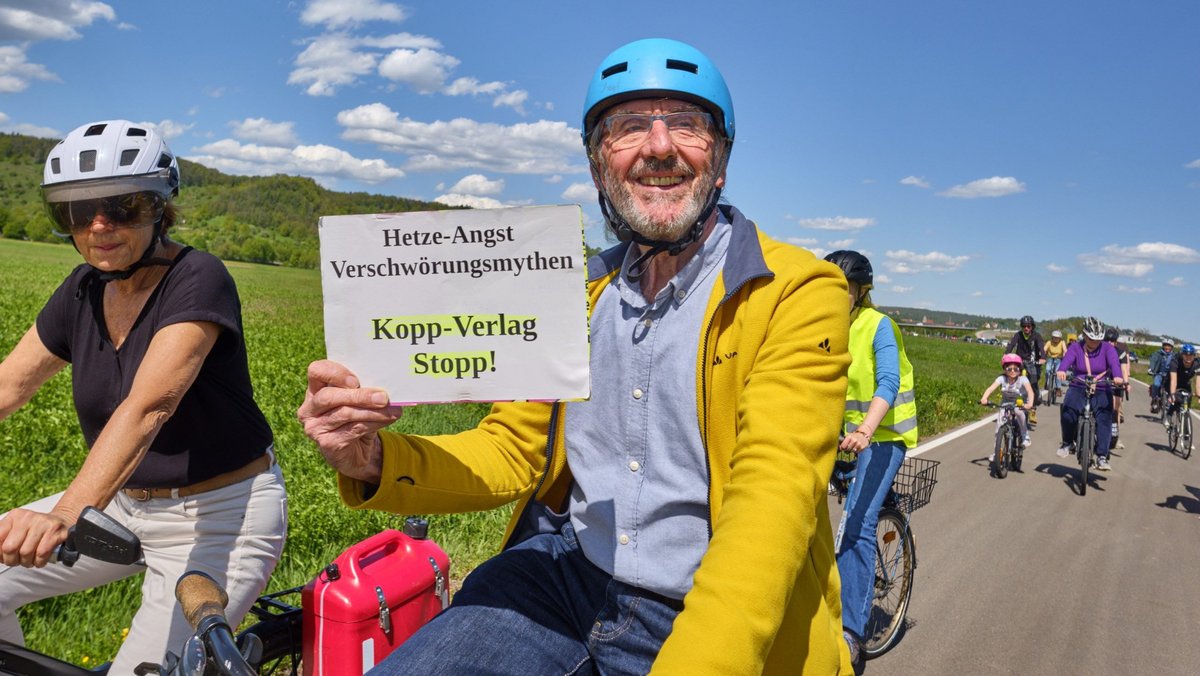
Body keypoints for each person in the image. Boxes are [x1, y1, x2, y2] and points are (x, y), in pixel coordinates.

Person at [297, 39, 852, 674]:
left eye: (688, 124)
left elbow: (771, 504)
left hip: (706, 606)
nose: (661, 145)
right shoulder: (575, 293)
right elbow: (513, 448)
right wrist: (371, 458)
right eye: (628, 126)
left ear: (719, 159)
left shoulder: (796, 292)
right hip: (567, 576)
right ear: (597, 167)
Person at [0, 121, 287, 672]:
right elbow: (10, 386)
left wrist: (64, 515)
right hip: (123, 505)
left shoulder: (198, 277)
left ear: (160, 208)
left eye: (122, 206)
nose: (99, 226)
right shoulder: (82, 290)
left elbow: (149, 406)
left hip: (220, 514)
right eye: (77, 212)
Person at [824, 250, 918, 666]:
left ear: (860, 292)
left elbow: (889, 381)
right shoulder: (826, 326)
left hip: (883, 435)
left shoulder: (878, 325)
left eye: (842, 289)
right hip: (845, 438)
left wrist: (865, 430)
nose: (835, 296)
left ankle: (851, 633)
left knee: (858, 524)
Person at [1055, 317, 1124, 471]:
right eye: (1091, 338)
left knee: (1105, 418)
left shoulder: (1108, 348)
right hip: (1079, 384)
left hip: (1101, 386)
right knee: (1068, 411)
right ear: (1084, 335)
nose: (1094, 342)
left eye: (1098, 339)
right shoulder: (1075, 347)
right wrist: (1061, 370)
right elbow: (1066, 360)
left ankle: (1102, 456)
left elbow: (1114, 363)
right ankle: (1067, 443)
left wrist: (1118, 377)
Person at [980, 353, 1035, 453]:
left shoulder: (1023, 379)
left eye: (1016, 369)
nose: (1013, 371)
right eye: (1009, 369)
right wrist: (984, 398)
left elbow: (1030, 392)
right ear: (1005, 369)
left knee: (1019, 412)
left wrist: (1029, 404)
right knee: (999, 426)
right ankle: (997, 452)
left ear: (1020, 369)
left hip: (1020, 403)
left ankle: (1025, 436)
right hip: (1005, 403)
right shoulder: (1002, 378)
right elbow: (991, 388)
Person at [1005, 315, 1046, 423]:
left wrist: (1042, 358)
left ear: (1032, 326)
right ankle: (1009, 403)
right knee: (1010, 379)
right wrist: (1006, 354)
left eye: (1028, 326)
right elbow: (1011, 345)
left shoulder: (1037, 336)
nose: (1026, 328)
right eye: (1024, 326)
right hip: (1020, 361)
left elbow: (1041, 347)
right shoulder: (1018, 335)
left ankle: (1032, 408)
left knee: (1032, 383)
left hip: (1033, 363)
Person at [1165, 343, 1198, 450]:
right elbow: (1173, 380)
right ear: (1182, 355)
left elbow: (1198, 382)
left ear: (1194, 356)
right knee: (1176, 400)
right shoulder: (1175, 362)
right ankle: (1169, 414)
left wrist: (1199, 396)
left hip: (1186, 384)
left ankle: (1186, 439)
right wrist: (1172, 394)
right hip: (1173, 382)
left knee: (1186, 410)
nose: (1188, 358)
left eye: (1191, 355)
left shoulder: (1197, 364)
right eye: (1186, 355)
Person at [1104, 327, 1131, 448]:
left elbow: (1124, 369)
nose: (1110, 343)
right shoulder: (1100, 351)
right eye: (1107, 340)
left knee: (1116, 410)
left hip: (1116, 382)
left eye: (1112, 341)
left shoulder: (1121, 353)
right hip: (1102, 382)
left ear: (1116, 342)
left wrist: (1126, 383)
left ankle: (1115, 437)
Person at [1149, 338, 1176, 413]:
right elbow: (1153, 361)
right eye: (1165, 345)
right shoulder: (1157, 353)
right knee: (1156, 384)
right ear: (1163, 346)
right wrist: (1151, 369)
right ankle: (1155, 401)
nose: (1167, 347)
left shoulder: (1175, 356)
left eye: (1169, 346)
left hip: (1170, 376)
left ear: (1172, 347)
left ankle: (1171, 406)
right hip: (1159, 374)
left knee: (1172, 389)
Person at [1044, 329, 1067, 399]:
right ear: (1052, 337)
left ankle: (1058, 388)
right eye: (1054, 337)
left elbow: (1065, 350)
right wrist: (1042, 354)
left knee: (1058, 373)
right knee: (1047, 370)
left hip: (1058, 359)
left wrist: (1065, 354)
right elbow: (1044, 349)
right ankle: (1047, 383)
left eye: (1057, 338)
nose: (1056, 339)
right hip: (1050, 358)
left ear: (1060, 338)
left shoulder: (1062, 343)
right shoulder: (1049, 342)